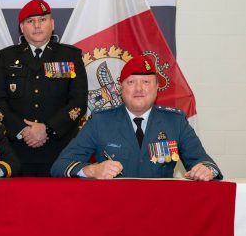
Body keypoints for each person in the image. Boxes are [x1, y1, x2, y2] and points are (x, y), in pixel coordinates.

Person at [51, 56, 222, 181]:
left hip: (160, 210)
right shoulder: (100, 121)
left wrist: (206, 170)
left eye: (146, 82)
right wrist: (91, 170)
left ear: (156, 88)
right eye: (131, 82)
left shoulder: (175, 122)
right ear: (120, 89)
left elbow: (204, 162)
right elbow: (60, 166)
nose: (139, 88)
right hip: (113, 211)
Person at [0, 0, 88, 177]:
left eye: (42, 20)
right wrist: (23, 130)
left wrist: (47, 128)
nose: (37, 25)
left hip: (60, 150)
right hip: (17, 151)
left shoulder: (70, 55)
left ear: (52, 24)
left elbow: (78, 102)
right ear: (21, 28)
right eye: (30, 21)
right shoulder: (6, 57)